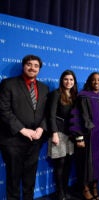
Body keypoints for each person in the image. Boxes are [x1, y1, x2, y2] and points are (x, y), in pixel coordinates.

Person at [0, 55, 49, 200]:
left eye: (36, 65)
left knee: (30, 179)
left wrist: (41, 129)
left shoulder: (44, 88)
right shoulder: (8, 84)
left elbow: (48, 112)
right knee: (13, 180)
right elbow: (3, 110)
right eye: (29, 64)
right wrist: (22, 129)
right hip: (13, 140)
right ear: (23, 66)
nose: (32, 68)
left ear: (39, 69)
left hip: (35, 140)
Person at [69, 72, 99, 200]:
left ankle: (95, 187)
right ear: (89, 82)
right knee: (85, 164)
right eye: (93, 80)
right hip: (87, 137)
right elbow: (77, 117)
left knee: (97, 164)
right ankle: (85, 188)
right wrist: (79, 137)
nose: (96, 82)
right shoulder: (83, 97)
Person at [47, 70, 78, 200]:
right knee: (60, 163)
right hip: (58, 133)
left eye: (71, 80)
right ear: (62, 80)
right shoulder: (56, 94)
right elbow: (51, 115)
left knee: (68, 164)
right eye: (66, 79)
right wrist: (54, 133)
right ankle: (60, 193)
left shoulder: (74, 95)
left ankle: (65, 190)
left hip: (71, 134)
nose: (68, 82)